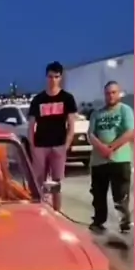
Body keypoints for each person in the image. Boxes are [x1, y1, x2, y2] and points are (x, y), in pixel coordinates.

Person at [28, 61, 77, 211]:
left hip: (58, 145)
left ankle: (56, 212)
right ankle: (39, 210)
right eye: (50, 77)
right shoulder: (38, 100)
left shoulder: (67, 98)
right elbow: (31, 126)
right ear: (46, 77)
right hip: (40, 146)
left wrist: (66, 146)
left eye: (56, 77)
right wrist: (32, 147)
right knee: (38, 182)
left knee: (56, 183)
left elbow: (71, 125)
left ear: (60, 77)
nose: (53, 80)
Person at [88, 81, 134, 234]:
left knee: (121, 195)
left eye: (114, 92)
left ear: (119, 93)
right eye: (108, 93)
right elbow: (91, 134)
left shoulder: (125, 110)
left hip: (120, 159)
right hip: (99, 161)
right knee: (98, 194)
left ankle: (124, 224)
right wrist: (101, 148)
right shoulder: (97, 114)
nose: (110, 96)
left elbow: (130, 132)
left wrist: (111, 148)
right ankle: (98, 221)